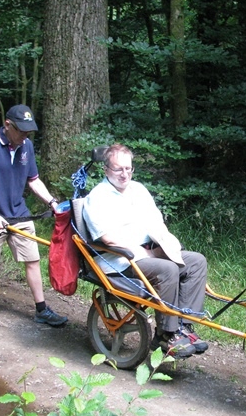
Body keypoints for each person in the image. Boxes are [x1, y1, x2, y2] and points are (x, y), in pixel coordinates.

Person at [82, 143, 208, 358]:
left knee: (196, 262)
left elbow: (157, 221)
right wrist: (145, 252)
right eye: (118, 169)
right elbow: (107, 239)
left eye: (128, 168)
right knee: (168, 270)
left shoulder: (138, 190)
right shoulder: (98, 197)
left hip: (149, 253)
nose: (124, 174)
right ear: (106, 170)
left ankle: (185, 325)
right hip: (120, 260)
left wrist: (165, 243)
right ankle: (165, 335)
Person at [0, 104, 68, 327]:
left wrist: (51, 202)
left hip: (20, 215)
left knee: (32, 260)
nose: (25, 136)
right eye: (21, 131)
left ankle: (41, 309)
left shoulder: (27, 146)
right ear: (7, 125)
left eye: (28, 132)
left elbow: (33, 179)